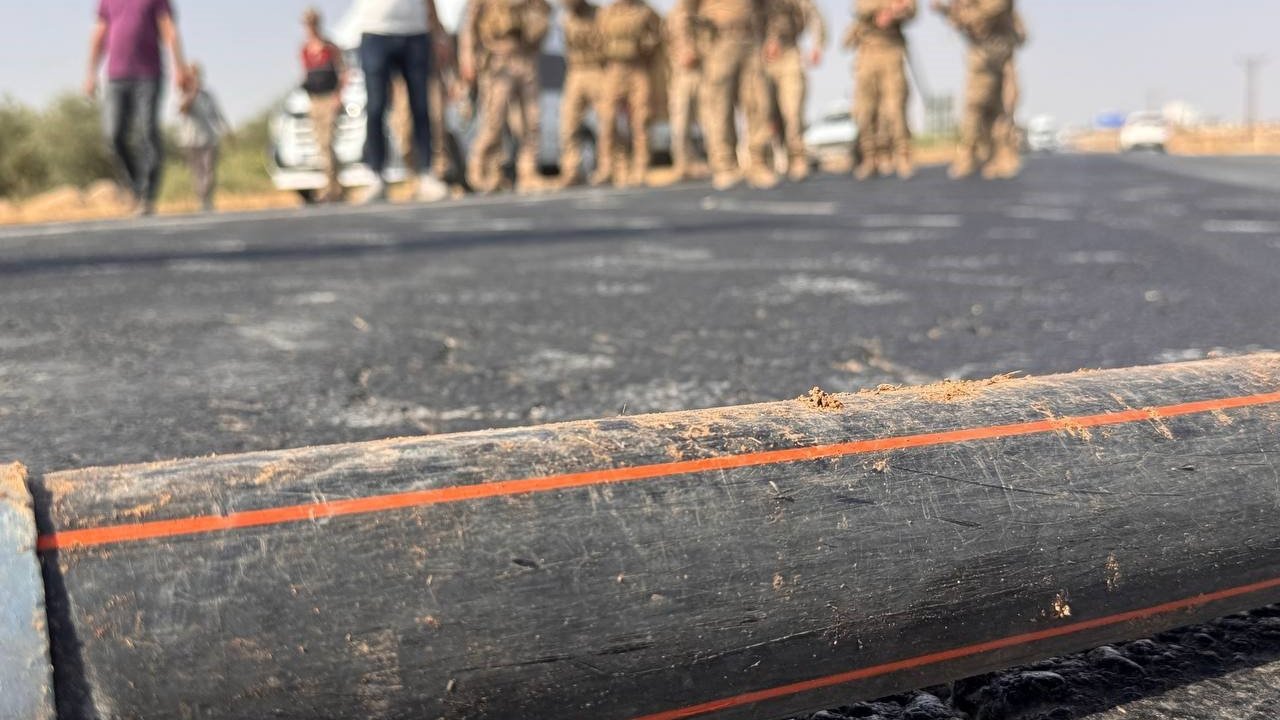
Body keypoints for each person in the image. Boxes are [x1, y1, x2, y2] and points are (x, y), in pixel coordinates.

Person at [85, 0, 190, 216]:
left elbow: (168, 29)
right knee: (113, 135)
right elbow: (99, 33)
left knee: (147, 131)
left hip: (148, 75)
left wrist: (180, 66)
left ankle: (147, 196)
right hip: (116, 77)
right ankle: (134, 187)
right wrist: (90, 73)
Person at [351, 0, 451, 203]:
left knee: (421, 106)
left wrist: (438, 31)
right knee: (376, 106)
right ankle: (376, 176)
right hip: (375, 30)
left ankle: (425, 173)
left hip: (415, 31)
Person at [672, 0, 777, 190]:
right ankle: (724, 166)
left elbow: (770, 8)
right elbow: (684, 13)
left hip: (751, 41)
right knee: (719, 109)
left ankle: (759, 164)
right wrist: (686, 46)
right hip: (717, 44)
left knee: (758, 105)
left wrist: (772, 38)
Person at [460, 0, 553, 193]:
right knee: (494, 122)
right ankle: (482, 171)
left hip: (525, 57)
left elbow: (545, 14)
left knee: (531, 121)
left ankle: (528, 172)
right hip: (498, 60)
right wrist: (468, 58)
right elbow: (469, 27)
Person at [932, 0, 1021, 179]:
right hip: (981, 56)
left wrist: (955, 12)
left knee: (1002, 108)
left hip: (999, 54)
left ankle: (1002, 156)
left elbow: (985, 13)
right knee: (975, 107)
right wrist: (947, 10)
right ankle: (970, 154)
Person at [595, 0, 664, 187]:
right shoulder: (607, 13)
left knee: (641, 120)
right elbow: (598, 41)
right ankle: (608, 168)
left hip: (637, 68)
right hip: (613, 69)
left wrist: (647, 47)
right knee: (607, 119)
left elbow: (659, 35)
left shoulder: (646, 12)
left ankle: (641, 168)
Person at [848, 0, 916, 181]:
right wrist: (888, 8)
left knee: (895, 108)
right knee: (863, 110)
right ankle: (869, 157)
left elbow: (912, 10)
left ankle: (902, 155)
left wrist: (894, 13)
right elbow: (859, 8)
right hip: (867, 51)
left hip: (891, 52)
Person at [762, 0, 826, 182]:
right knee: (765, 114)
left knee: (793, 109)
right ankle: (769, 160)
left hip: (789, 52)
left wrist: (817, 45)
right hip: (760, 54)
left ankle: (797, 159)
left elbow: (814, 16)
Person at [557, 0, 606, 187]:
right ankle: (571, 170)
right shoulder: (565, 18)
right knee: (568, 123)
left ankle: (609, 167)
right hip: (575, 71)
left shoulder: (599, 14)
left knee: (606, 121)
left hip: (596, 69)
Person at [301, 7, 347, 203]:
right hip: (314, 99)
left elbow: (343, 71)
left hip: (329, 98)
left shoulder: (330, 48)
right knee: (320, 144)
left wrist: (338, 95)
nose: (310, 27)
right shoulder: (304, 50)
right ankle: (331, 186)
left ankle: (332, 187)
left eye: (313, 22)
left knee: (328, 142)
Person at [175, 63, 229, 212]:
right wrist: (192, 93)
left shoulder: (208, 95)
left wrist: (227, 130)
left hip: (209, 138)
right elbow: (182, 110)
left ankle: (207, 199)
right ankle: (201, 199)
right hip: (189, 140)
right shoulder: (183, 94)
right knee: (197, 172)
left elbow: (217, 114)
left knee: (209, 171)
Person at [664, 5, 706, 182]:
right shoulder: (672, 16)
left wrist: (699, 53)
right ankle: (682, 164)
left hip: (705, 71)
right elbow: (666, 44)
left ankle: (721, 161)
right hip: (680, 74)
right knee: (680, 122)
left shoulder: (704, 11)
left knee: (713, 119)